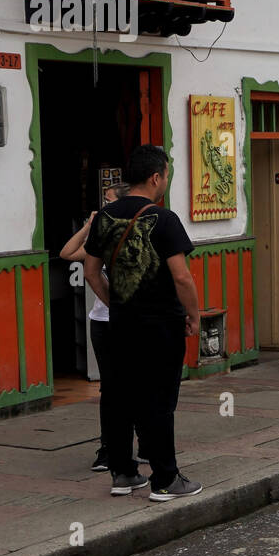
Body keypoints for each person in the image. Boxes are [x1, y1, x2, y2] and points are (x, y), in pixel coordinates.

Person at [83, 145, 202, 501]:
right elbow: (182, 278)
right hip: (161, 325)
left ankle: (123, 473)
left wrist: (116, 302)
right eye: (166, 174)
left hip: (120, 325)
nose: (166, 180)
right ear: (156, 177)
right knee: (159, 400)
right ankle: (165, 479)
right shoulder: (164, 219)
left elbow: (91, 271)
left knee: (118, 396)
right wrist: (193, 315)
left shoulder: (104, 216)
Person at [59, 182, 139, 473]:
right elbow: (67, 253)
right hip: (103, 322)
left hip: (131, 323)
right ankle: (108, 448)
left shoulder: (136, 236)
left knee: (135, 385)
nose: (103, 207)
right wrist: (89, 225)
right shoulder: (100, 237)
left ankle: (139, 442)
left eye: (107, 202)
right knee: (111, 388)